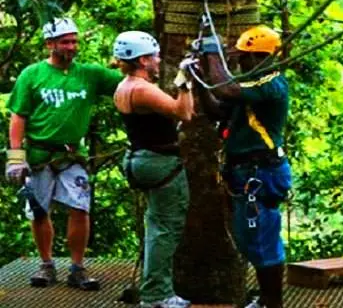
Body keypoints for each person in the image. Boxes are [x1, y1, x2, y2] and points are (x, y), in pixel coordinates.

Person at [4, 17, 123, 290]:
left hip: (72, 155)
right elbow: (18, 116)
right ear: (50, 44)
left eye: (74, 41)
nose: (72, 46)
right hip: (39, 154)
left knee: (80, 208)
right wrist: (15, 156)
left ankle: (77, 268)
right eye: (65, 42)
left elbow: (127, 83)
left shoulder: (90, 74)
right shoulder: (32, 75)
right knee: (38, 211)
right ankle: (46, 264)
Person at [195, 26, 291, 308]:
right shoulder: (248, 86)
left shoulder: (271, 82)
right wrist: (200, 80)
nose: (238, 62)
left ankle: (271, 303)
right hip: (245, 173)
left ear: (259, 57)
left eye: (244, 57)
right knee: (251, 239)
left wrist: (212, 51)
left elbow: (225, 89)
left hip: (261, 173)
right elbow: (217, 107)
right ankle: (266, 300)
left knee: (262, 240)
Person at [112, 31, 194, 308]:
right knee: (165, 228)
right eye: (155, 57)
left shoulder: (124, 86)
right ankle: (157, 295)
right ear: (144, 60)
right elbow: (183, 113)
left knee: (156, 225)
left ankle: (156, 291)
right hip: (159, 163)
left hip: (139, 158)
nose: (159, 61)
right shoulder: (142, 89)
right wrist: (185, 83)